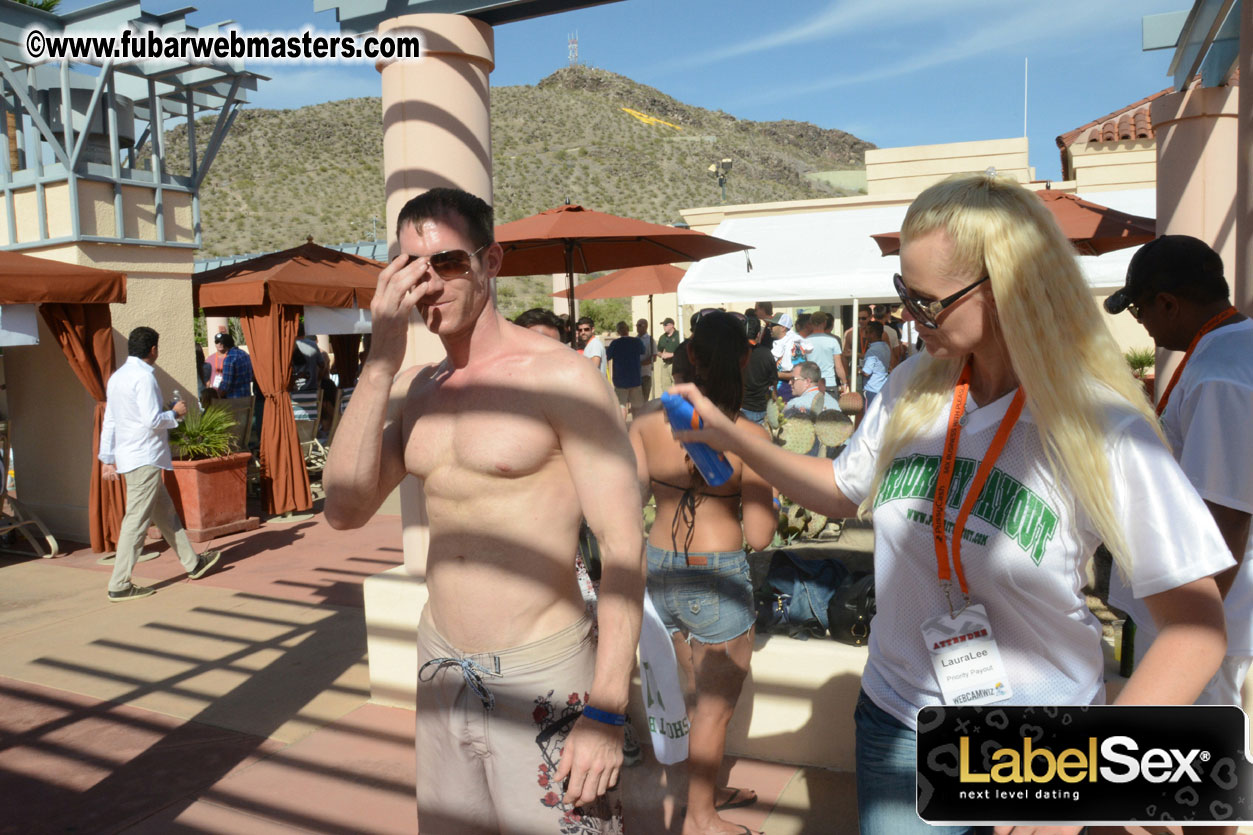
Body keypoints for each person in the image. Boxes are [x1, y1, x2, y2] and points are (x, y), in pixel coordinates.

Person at [669, 173, 1230, 835]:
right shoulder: (913, 385)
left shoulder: (1099, 424)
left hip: (1040, 746)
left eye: (928, 301)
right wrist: (731, 436)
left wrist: (1085, 780)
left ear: (1007, 289)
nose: (910, 315)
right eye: (905, 292)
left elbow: (1195, 630)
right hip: (899, 716)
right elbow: (841, 490)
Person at [323, 187, 643, 833]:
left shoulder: (561, 378)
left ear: (490, 261)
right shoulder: (419, 389)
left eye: (446, 263)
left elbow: (623, 547)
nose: (428, 284)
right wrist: (380, 359)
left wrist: (607, 711)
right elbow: (344, 507)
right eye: (410, 268)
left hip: (542, 669)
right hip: (441, 661)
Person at [628, 311, 775, 835]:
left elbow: (630, 503)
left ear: (688, 355)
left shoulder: (647, 418)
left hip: (658, 565)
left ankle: (698, 793)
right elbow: (759, 535)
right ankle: (702, 817)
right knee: (712, 710)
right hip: (717, 574)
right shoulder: (747, 433)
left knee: (680, 696)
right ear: (743, 359)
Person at [1105, 237, 1253, 745]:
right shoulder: (1229, 351)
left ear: (1167, 302)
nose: (1141, 322)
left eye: (1141, 309)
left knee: (1198, 767)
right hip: (1196, 609)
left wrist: (1192, 634)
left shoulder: (1220, 374)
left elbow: (1228, 515)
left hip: (1200, 612)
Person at [99, 327, 221, 602]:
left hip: (133, 457)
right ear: (153, 349)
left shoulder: (117, 378)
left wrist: (107, 458)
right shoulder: (144, 379)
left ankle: (193, 563)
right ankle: (119, 583)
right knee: (136, 520)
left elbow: (111, 421)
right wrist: (174, 413)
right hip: (145, 457)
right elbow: (152, 420)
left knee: (165, 515)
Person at [739, 315, 776, 425]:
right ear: (758, 334)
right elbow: (774, 382)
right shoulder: (767, 353)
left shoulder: (735, 354)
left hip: (741, 409)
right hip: (762, 409)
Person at [607, 320, 646, 419]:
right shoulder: (637, 341)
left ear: (618, 332)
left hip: (620, 380)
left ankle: (622, 430)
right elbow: (643, 351)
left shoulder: (615, 343)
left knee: (621, 407)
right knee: (637, 407)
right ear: (628, 329)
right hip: (635, 379)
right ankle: (637, 429)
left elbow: (607, 356)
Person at [806, 312, 847, 393]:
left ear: (811, 323)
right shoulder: (833, 341)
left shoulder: (805, 341)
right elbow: (838, 366)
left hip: (811, 383)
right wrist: (844, 382)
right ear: (825, 323)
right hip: (829, 383)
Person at [206, 332, 254, 399]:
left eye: (221, 342)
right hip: (247, 398)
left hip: (233, 401)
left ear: (225, 344)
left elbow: (226, 385)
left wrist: (216, 397)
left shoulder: (230, 358)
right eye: (217, 342)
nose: (220, 344)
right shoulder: (244, 354)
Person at [860, 321, 891, 408]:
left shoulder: (872, 350)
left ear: (873, 334)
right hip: (882, 387)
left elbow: (867, 372)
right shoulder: (886, 347)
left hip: (872, 388)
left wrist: (858, 370)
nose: (865, 336)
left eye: (867, 332)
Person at [656, 317, 681, 391]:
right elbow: (658, 351)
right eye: (663, 325)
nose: (664, 327)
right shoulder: (662, 337)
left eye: (665, 325)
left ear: (672, 325)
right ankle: (668, 401)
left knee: (678, 386)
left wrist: (671, 354)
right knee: (665, 387)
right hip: (665, 364)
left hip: (676, 364)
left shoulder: (679, 336)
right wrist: (661, 355)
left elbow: (684, 350)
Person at [636, 319, 657, 401]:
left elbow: (654, 357)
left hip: (646, 374)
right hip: (635, 375)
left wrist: (639, 363)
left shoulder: (650, 340)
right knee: (636, 400)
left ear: (646, 326)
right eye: (637, 325)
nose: (637, 327)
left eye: (640, 325)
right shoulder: (635, 340)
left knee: (644, 399)